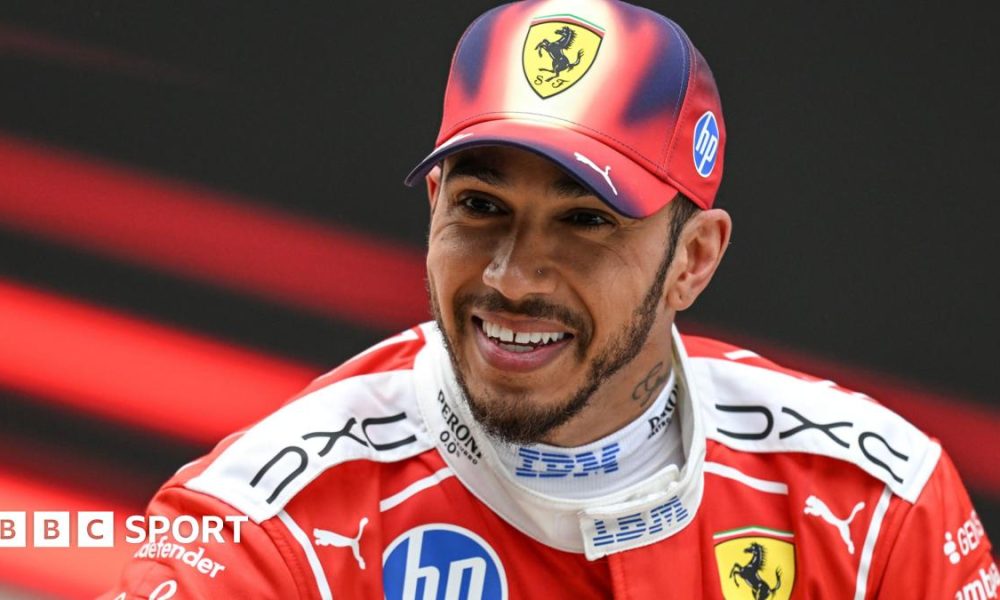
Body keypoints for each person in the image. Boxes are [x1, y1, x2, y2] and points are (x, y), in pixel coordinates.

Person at [103, 0, 995, 598]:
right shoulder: (268, 529)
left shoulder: (875, 507)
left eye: (585, 221)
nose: (513, 276)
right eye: (480, 207)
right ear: (433, 207)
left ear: (693, 260)